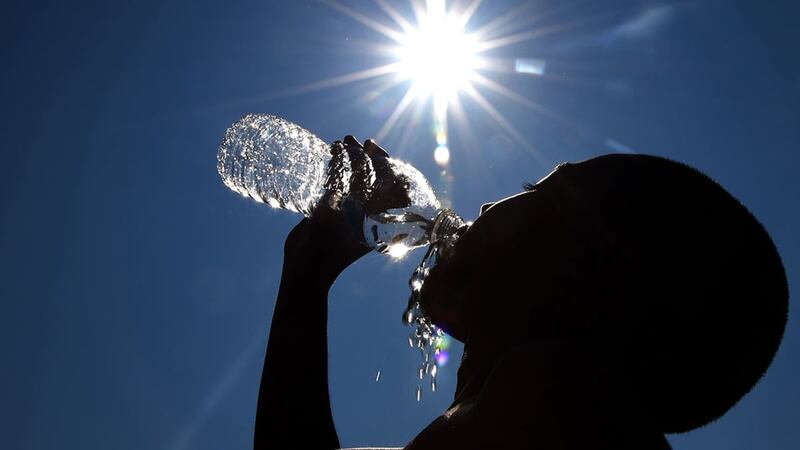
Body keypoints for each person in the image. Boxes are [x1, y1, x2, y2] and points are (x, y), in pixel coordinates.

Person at [253, 137, 788, 450]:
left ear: (584, 274)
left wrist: (305, 279)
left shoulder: (554, 401)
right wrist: (307, 274)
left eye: (538, 192)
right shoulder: (521, 419)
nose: (485, 208)